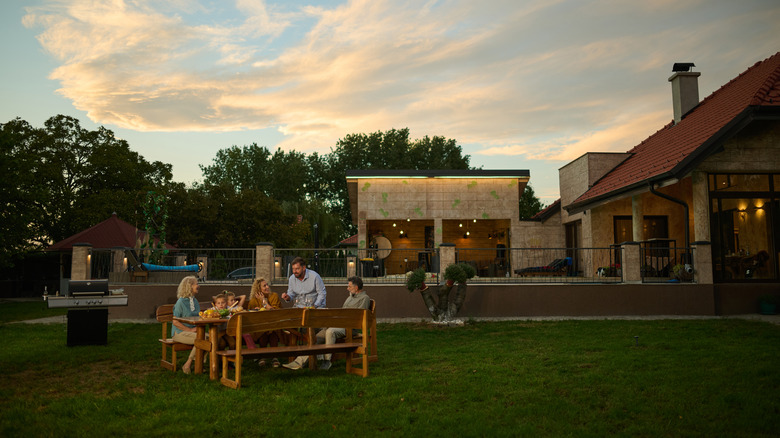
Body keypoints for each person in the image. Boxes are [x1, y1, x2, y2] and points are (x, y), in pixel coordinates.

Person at [283, 276, 370, 370]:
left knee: (330, 331)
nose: (347, 288)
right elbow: (343, 312)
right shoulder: (350, 297)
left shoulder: (364, 298)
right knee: (316, 337)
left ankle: (327, 361)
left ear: (356, 288)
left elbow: (360, 317)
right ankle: (299, 362)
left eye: (349, 286)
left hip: (350, 327)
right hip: (339, 325)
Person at [247, 277, 282, 367]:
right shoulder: (253, 300)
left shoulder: (274, 296)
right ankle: (263, 356)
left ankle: (274, 357)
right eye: (264, 286)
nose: (267, 287)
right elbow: (250, 314)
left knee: (272, 330)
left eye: (267, 285)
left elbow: (274, 312)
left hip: (275, 322)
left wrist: (264, 302)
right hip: (259, 325)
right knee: (263, 330)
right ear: (258, 289)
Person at [171, 276, 202, 374]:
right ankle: (188, 364)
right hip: (180, 333)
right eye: (196, 284)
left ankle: (198, 365)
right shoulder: (180, 302)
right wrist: (190, 330)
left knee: (210, 338)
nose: (198, 286)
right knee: (201, 340)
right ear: (190, 286)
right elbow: (175, 321)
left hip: (194, 332)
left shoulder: (195, 301)